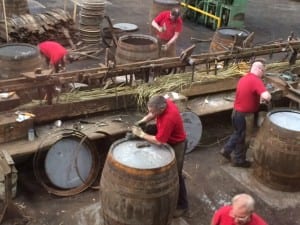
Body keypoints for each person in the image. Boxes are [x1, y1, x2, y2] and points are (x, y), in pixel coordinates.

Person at [131, 95, 189, 217]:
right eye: (149, 110)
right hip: (168, 136)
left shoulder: (169, 118)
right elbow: (153, 114)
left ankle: (183, 206)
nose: (150, 113)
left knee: (176, 175)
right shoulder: (163, 102)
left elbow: (159, 141)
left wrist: (141, 134)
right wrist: (143, 121)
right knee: (149, 130)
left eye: (152, 111)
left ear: (161, 109)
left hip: (177, 143)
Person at [220, 61, 271, 168]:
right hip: (245, 115)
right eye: (263, 71)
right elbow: (266, 96)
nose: (263, 74)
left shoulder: (244, 78)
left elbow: (248, 93)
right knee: (244, 138)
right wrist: (268, 97)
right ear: (259, 70)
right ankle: (236, 157)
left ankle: (229, 152)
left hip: (236, 113)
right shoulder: (256, 80)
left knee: (239, 134)